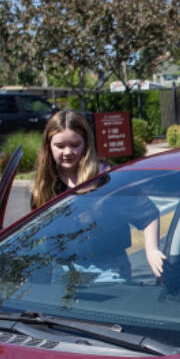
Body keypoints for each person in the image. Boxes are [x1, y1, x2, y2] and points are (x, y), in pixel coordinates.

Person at [31, 110, 165, 280]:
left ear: (86, 144)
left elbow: (148, 214)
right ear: (48, 146)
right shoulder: (44, 185)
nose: (67, 152)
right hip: (63, 271)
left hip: (108, 269)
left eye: (75, 144)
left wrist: (152, 250)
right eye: (60, 146)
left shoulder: (107, 178)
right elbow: (34, 231)